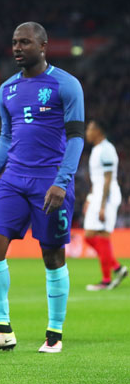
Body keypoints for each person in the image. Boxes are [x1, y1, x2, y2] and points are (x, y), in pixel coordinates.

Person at [0, 22, 85, 354]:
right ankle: (2, 329)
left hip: (50, 181)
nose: (18, 48)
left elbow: (76, 137)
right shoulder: (7, 89)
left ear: (43, 45)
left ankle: (54, 333)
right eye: (15, 42)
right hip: (14, 180)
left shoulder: (66, 85)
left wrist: (62, 181)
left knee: (52, 255)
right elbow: (7, 136)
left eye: (25, 42)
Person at [83, 119, 127, 290]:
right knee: (89, 235)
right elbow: (98, 179)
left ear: (99, 131)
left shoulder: (107, 149)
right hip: (98, 195)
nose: (87, 131)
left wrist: (102, 204)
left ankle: (106, 280)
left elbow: (108, 179)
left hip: (106, 197)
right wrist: (89, 198)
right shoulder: (97, 149)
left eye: (90, 128)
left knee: (101, 235)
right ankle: (117, 268)